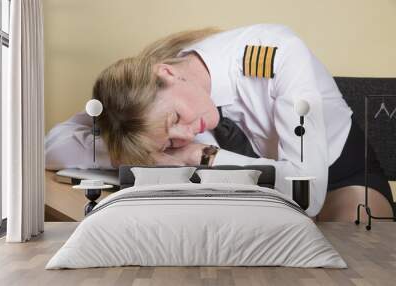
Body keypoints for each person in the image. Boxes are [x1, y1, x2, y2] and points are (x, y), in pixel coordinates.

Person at [46, 24, 394, 218]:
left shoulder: (276, 55)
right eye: (169, 141)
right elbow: (52, 146)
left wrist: (197, 156)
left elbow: (308, 197)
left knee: (350, 248)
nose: (185, 135)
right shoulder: (137, 107)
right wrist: (144, 152)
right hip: (260, 198)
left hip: (339, 175)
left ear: (166, 73)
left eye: (176, 119)